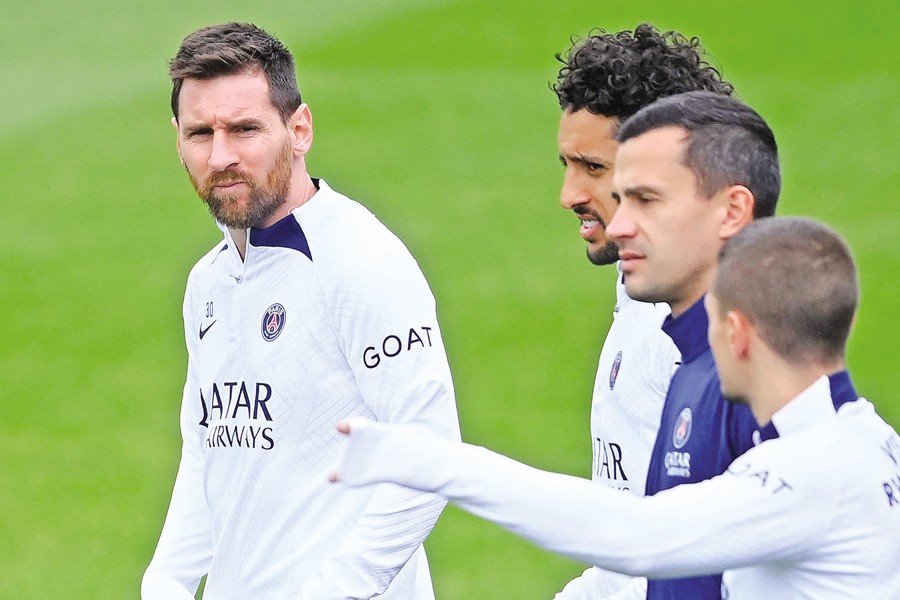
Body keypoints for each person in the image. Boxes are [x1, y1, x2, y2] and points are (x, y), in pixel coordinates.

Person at [331, 217, 900, 599]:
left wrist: (434, 463)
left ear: (738, 333)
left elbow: (637, 536)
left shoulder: (810, 473)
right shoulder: (869, 440)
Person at [141, 22, 460, 599]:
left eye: (244, 129)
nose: (221, 156)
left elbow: (427, 456)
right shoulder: (208, 282)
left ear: (299, 129)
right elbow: (208, 452)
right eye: (200, 133)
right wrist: (166, 581)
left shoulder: (361, 260)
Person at [553, 25, 734, 598]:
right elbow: (625, 547)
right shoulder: (643, 294)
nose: (569, 194)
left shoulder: (720, 338)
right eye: (566, 164)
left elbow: (710, 566)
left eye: (593, 168)